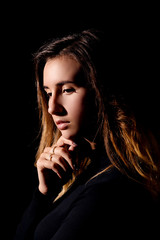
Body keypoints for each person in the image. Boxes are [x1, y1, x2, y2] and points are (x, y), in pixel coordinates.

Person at [14, 29, 160, 239]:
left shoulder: (107, 190)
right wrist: (43, 194)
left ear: (101, 93)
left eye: (67, 90)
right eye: (48, 93)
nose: (52, 108)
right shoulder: (87, 173)